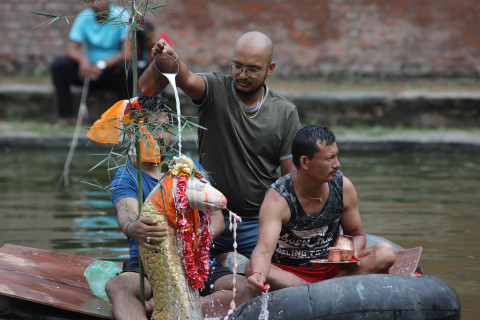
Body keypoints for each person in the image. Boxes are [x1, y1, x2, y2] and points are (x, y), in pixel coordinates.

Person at [88, 97, 255, 319]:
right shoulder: (126, 176)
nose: (159, 135)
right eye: (149, 127)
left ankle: (176, 307)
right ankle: (168, 304)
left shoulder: (187, 167)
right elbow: (126, 214)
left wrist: (195, 237)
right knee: (117, 287)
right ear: (132, 131)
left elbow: (217, 218)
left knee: (246, 288)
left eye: (165, 127)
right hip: (148, 263)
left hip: (193, 260)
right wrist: (132, 228)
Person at [142, 31, 302, 260]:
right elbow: (186, 78)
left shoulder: (285, 112)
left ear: (270, 68)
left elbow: (290, 182)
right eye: (237, 66)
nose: (242, 74)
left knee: (265, 276)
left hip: (257, 222)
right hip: (206, 216)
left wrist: (284, 227)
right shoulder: (215, 89)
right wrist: (172, 60)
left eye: (253, 69)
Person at [245, 125, 397, 293]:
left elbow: (357, 234)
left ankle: (318, 292)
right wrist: (258, 274)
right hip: (290, 274)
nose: (337, 164)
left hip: (334, 269)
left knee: (386, 252)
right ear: (305, 162)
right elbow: (264, 249)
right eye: (329, 158)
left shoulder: (343, 187)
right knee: (252, 268)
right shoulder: (278, 198)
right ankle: (318, 291)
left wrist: (348, 252)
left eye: (337, 156)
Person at [50, 2, 132, 128]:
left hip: (112, 72)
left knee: (128, 70)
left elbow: (126, 53)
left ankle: (126, 119)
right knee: (59, 65)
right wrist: (83, 60)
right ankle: (67, 116)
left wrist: (102, 64)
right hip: (88, 72)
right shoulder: (84, 17)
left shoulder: (123, 15)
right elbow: (70, 49)